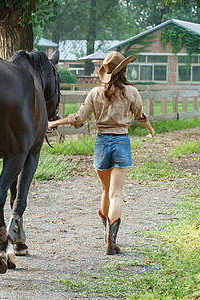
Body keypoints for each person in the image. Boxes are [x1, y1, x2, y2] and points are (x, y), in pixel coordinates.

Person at [48, 52, 154, 255]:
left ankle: (106, 236)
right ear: (123, 70)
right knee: (117, 194)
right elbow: (140, 115)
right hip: (121, 142)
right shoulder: (131, 92)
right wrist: (150, 129)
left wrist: (55, 122)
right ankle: (111, 242)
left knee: (106, 191)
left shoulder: (95, 93)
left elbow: (78, 118)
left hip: (102, 143)